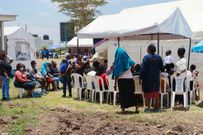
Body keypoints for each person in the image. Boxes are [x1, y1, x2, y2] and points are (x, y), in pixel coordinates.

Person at [112, 47, 139, 113]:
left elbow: (116, 74)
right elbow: (133, 69)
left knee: (123, 94)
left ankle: (123, 109)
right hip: (130, 79)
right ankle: (136, 107)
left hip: (122, 80)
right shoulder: (128, 59)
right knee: (131, 94)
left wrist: (115, 83)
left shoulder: (117, 61)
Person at [140, 44, 163, 112]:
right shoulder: (159, 57)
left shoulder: (146, 58)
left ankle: (149, 108)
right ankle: (157, 108)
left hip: (147, 78)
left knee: (148, 92)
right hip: (156, 78)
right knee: (156, 91)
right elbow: (162, 67)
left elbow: (143, 69)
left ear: (149, 50)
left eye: (147, 49)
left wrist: (140, 77)